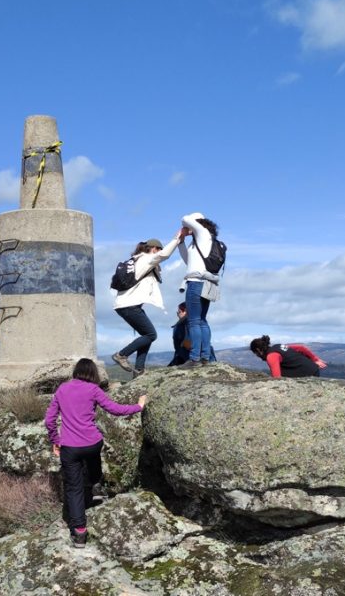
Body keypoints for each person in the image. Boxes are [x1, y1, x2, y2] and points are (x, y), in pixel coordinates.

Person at [44, 358, 148, 548]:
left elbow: (49, 420)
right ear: (93, 374)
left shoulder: (62, 389)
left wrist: (55, 441)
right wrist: (138, 407)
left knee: (73, 488)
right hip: (93, 443)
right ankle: (93, 490)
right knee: (93, 467)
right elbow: (115, 410)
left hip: (70, 447)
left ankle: (80, 533)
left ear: (76, 372)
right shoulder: (93, 390)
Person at [110, 232, 181, 377]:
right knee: (151, 334)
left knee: (145, 335)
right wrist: (177, 239)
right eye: (158, 250)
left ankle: (139, 370)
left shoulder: (135, 260)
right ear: (154, 249)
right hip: (129, 306)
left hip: (125, 305)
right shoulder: (147, 259)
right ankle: (122, 355)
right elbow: (164, 255)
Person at [177, 212, 222, 367]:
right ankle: (205, 357)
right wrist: (182, 242)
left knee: (194, 321)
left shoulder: (202, 233)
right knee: (201, 321)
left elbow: (185, 218)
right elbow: (188, 261)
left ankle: (195, 358)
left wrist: (186, 227)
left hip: (196, 283)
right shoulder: (204, 239)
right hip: (206, 284)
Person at [250, 335, 328, 378]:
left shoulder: (271, 356)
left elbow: (277, 378)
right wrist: (315, 359)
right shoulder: (278, 346)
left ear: (258, 350)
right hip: (313, 369)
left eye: (255, 353)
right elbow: (301, 348)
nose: (257, 356)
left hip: (308, 375)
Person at [167, 303, 217, 367]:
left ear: (186, 311)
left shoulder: (181, 326)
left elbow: (179, 346)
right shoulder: (201, 323)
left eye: (179, 312)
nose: (178, 314)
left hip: (190, 356)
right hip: (206, 356)